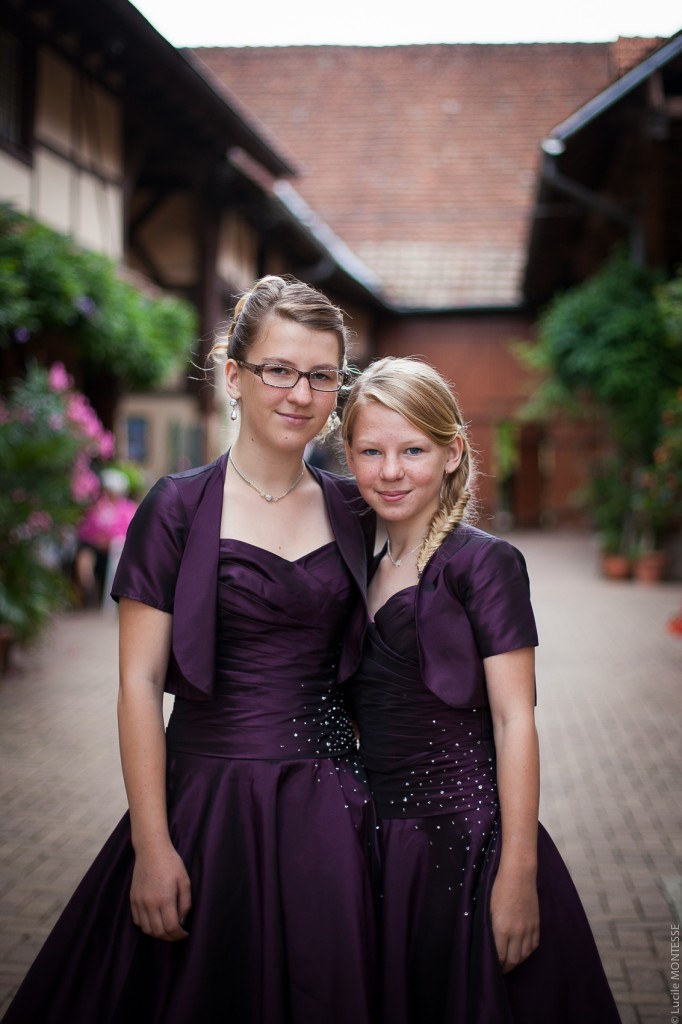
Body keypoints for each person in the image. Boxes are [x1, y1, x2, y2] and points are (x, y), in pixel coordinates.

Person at [3, 276, 378, 1024]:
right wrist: (152, 845)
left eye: (322, 375)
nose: (301, 394)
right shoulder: (176, 507)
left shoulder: (357, 509)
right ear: (234, 376)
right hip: (208, 801)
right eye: (279, 369)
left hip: (333, 809)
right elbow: (139, 684)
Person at [340, 356, 622, 1024]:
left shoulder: (485, 565)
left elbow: (514, 720)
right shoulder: (355, 568)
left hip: (465, 841)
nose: (391, 470)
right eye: (371, 451)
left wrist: (517, 872)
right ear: (348, 457)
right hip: (376, 844)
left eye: (413, 450)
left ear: (453, 452)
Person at [73, 467, 138, 606]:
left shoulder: (129, 509)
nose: (108, 494)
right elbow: (84, 531)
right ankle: (88, 593)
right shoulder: (96, 508)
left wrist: (111, 541)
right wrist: (98, 540)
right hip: (97, 551)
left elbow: (131, 533)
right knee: (84, 557)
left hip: (118, 555)